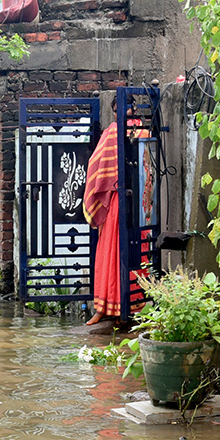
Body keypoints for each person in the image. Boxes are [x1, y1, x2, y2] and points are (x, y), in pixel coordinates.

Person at [83, 99, 123, 325]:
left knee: (125, 252)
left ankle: (127, 308)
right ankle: (106, 307)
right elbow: (97, 166)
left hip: (135, 204)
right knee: (110, 251)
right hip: (115, 201)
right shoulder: (112, 134)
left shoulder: (138, 132)